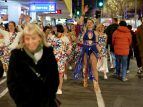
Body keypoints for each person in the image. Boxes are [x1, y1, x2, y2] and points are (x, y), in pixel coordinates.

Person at [7, 23, 59, 107]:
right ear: (23, 39)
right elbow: (11, 81)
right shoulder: (16, 55)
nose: (30, 42)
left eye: (33, 38)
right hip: (25, 104)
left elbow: (54, 78)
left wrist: (49, 98)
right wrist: (20, 100)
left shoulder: (48, 53)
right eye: (27, 38)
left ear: (39, 37)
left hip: (46, 103)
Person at [73, 5, 102, 92]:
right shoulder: (84, 30)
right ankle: (85, 80)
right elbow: (80, 22)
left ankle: (96, 83)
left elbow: (97, 44)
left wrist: (100, 52)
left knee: (94, 67)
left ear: (93, 24)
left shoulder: (96, 33)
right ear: (86, 24)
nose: (89, 23)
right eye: (88, 22)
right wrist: (84, 12)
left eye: (91, 22)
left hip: (93, 50)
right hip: (85, 49)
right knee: (85, 67)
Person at [50, 25, 72, 94]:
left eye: (55, 28)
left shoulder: (64, 38)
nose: (54, 29)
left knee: (60, 73)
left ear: (59, 29)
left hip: (61, 57)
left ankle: (59, 89)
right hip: (52, 57)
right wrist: (51, 43)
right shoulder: (52, 37)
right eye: (54, 28)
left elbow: (69, 45)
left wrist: (69, 50)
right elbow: (46, 44)